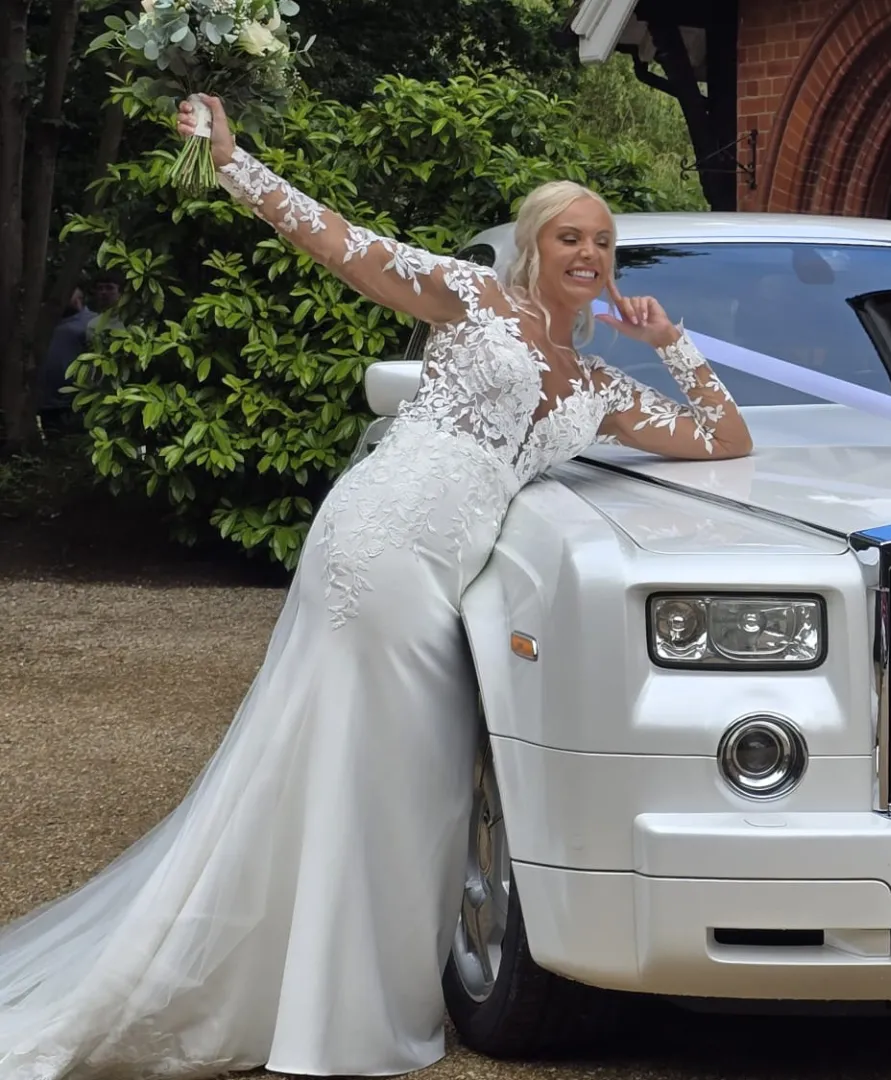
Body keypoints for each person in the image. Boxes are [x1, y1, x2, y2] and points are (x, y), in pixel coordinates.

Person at [0, 94, 751, 1079]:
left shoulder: (598, 385)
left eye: (604, 243)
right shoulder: (475, 296)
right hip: (378, 540)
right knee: (375, 765)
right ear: (535, 243)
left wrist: (670, 345)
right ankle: (324, 1016)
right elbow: (342, 244)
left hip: (443, 570)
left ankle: (321, 995)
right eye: (572, 234)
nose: (590, 254)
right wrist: (232, 163)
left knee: (400, 777)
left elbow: (724, 438)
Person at [36, 287, 93, 437]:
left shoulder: (92, 322)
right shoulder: (46, 322)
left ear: (79, 298)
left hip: (76, 402)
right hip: (46, 401)